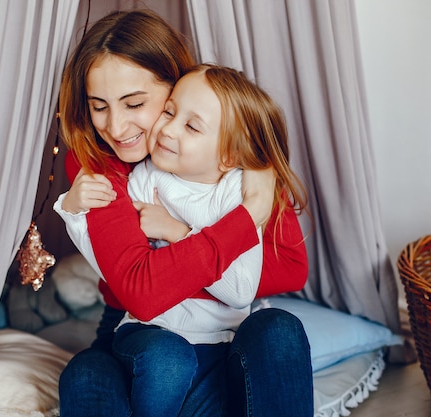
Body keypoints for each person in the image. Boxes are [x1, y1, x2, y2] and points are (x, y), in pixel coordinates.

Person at [53, 9, 313, 417]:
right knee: (87, 371)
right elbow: (142, 295)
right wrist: (248, 218)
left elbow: (290, 268)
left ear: (177, 87)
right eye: (99, 106)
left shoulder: (234, 157)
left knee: (278, 329)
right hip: (142, 333)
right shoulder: (97, 166)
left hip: (224, 333)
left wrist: (177, 240)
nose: (117, 128)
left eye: (135, 103)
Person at [107, 63, 309, 416]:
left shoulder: (239, 192)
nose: (167, 128)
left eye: (191, 126)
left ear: (229, 156)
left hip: (223, 342)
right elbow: (136, 276)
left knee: (280, 327)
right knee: (164, 364)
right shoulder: (144, 178)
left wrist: (174, 230)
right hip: (153, 334)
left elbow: (240, 291)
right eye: (169, 111)